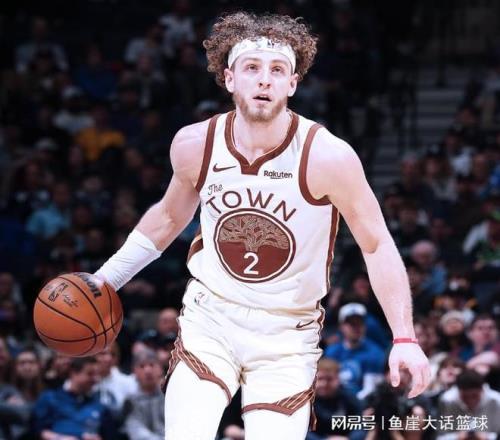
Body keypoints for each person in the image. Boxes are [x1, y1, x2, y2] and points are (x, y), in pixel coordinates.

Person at [94, 11, 431, 440]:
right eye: (252, 68)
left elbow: (377, 245)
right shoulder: (195, 144)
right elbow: (168, 217)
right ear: (229, 78)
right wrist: (106, 279)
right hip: (211, 317)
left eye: (277, 70)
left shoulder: (328, 156)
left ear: (293, 84)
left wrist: (405, 338)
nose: (264, 80)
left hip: (287, 333)